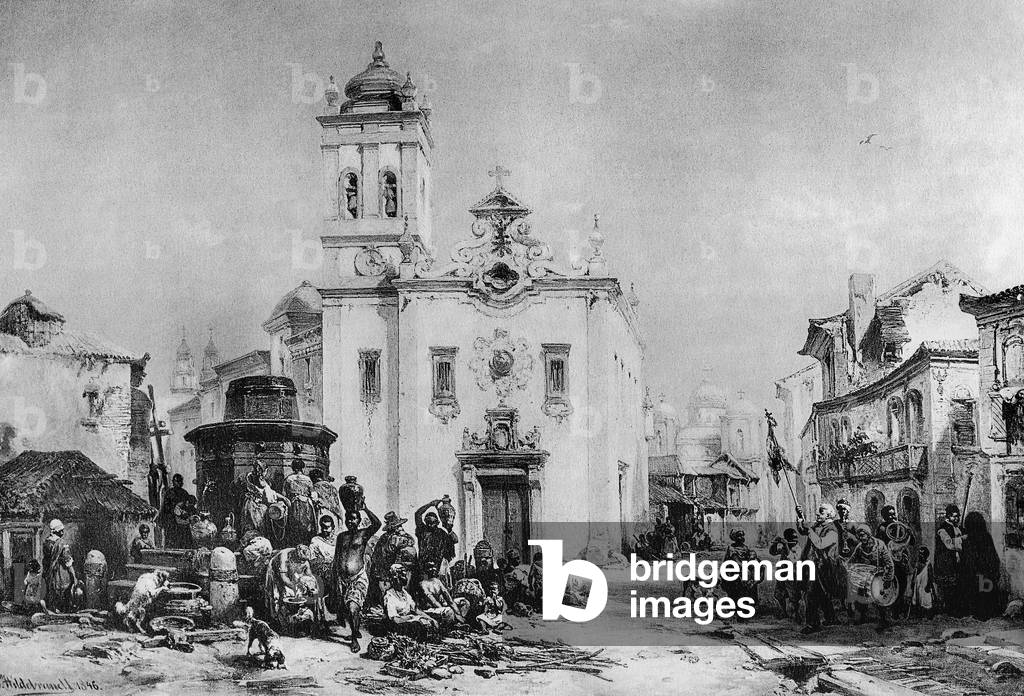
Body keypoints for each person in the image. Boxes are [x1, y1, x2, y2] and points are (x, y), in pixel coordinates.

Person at [333, 503, 381, 652]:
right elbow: (337, 558)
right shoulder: (341, 537)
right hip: (343, 579)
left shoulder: (363, 534)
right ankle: (356, 630)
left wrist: (365, 508)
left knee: (353, 607)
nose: (350, 521)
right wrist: (335, 579)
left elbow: (377, 523)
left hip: (357, 577)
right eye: (348, 519)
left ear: (359, 520)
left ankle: (354, 639)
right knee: (349, 608)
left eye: (354, 519)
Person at [796, 503, 842, 634]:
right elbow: (803, 530)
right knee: (821, 593)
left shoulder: (832, 530)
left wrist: (809, 530)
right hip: (814, 565)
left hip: (824, 567)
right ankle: (831, 618)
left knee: (811, 594)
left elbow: (820, 544)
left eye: (821, 512)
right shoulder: (817, 526)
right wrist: (799, 518)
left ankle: (812, 624)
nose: (817, 514)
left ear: (828, 515)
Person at [847, 523, 894, 630]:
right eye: (859, 536)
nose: (861, 538)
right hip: (865, 576)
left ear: (868, 535)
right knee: (860, 596)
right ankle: (861, 616)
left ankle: (884, 620)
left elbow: (889, 563)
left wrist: (887, 579)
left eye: (863, 535)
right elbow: (852, 560)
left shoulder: (879, 545)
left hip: (879, 575)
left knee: (880, 598)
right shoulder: (859, 547)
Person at [368, 511, 416, 607]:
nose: (400, 528)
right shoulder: (394, 538)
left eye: (400, 526)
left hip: (387, 573)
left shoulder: (388, 537)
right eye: (398, 526)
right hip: (387, 573)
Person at [961, 511, 1001, 620]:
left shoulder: (968, 540)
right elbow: (993, 557)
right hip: (986, 572)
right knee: (986, 593)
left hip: (976, 573)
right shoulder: (986, 537)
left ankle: (980, 614)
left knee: (978, 594)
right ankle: (987, 613)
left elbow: (968, 560)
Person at [263, 544, 316, 626]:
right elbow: (283, 578)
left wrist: (309, 585)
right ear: (295, 555)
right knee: (277, 594)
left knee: (298, 592)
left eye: (304, 561)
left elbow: (309, 576)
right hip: (275, 571)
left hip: (291, 572)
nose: (302, 562)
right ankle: (277, 619)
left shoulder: (305, 560)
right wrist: (295, 587)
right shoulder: (284, 556)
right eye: (300, 560)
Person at [383, 563, 438, 638]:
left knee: (428, 622)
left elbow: (416, 610)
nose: (405, 578)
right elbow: (395, 619)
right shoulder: (389, 595)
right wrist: (412, 617)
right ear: (395, 577)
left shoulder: (405, 593)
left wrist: (431, 619)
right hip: (398, 626)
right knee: (417, 625)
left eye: (405, 575)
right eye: (402, 575)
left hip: (409, 622)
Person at [241, 461, 288, 540]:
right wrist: (283, 498)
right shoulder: (261, 481)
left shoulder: (250, 477)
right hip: (258, 507)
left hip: (248, 504)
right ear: (264, 470)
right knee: (259, 527)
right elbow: (268, 496)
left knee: (249, 525)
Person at [415, 498, 458, 581]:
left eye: (433, 523)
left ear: (437, 523)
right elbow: (417, 514)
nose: (430, 525)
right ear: (425, 522)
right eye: (428, 522)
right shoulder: (422, 531)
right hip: (423, 568)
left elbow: (455, 540)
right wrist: (430, 504)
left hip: (438, 567)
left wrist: (449, 529)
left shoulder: (441, 533)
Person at [934, 503, 965, 616]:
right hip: (946, 562)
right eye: (954, 516)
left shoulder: (958, 528)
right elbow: (949, 545)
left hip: (956, 561)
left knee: (957, 586)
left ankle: (957, 610)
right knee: (949, 588)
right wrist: (963, 539)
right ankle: (950, 611)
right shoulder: (942, 529)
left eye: (957, 516)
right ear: (948, 516)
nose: (956, 518)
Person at [42, 519, 77, 613]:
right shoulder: (62, 543)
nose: (63, 532)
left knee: (51, 590)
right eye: (61, 530)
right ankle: (62, 611)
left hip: (49, 571)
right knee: (64, 589)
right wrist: (74, 576)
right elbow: (68, 561)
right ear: (58, 531)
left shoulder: (46, 542)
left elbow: (45, 561)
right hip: (61, 572)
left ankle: (52, 609)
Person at [721, 529, 760, 611]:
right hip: (734, 570)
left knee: (751, 582)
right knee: (736, 587)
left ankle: (748, 604)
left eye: (742, 535)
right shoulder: (731, 548)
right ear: (735, 537)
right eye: (739, 535)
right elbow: (733, 561)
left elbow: (751, 558)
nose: (741, 537)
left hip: (744, 569)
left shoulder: (745, 548)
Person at [418, 559, 464, 628]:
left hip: (442, 606)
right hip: (431, 609)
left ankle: (459, 621)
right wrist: (445, 609)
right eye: (430, 567)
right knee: (449, 611)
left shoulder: (437, 581)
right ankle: (453, 625)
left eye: (433, 567)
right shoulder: (423, 584)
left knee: (464, 602)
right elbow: (433, 601)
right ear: (425, 570)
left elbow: (448, 597)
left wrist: (458, 613)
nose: (433, 569)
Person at [769, 528, 801, 620]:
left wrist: (786, 545)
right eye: (792, 538)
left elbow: (791, 558)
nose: (795, 540)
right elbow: (772, 552)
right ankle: (784, 612)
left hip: (792, 574)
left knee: (794, 595)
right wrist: (775, 543)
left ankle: (796, 614)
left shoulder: (797, 548)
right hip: (782, 574)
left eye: (796, 538)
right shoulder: (784, 547)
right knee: (779, 594)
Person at [283, 460, 316, 546]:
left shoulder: (289, 479)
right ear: (302, 468)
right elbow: (312, 494)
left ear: (293, 468)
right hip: (306, 504)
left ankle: (295, 544)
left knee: (294, 524)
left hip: (294, 504)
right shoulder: (308, 479)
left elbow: (284, 494)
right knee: (307, 524)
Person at [160, 474, 196, 548]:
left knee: (184, 542)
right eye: (175, 481)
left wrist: (186, 513)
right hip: (172, 522)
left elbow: (189, 506)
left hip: (182, 523)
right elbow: (166, 508)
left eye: (178, 481)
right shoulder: (169, 493)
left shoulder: (184, 493)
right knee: (172, 542)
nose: (176, 483)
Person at [309, 515, 337, 613]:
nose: (325, 530)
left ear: (333, 527)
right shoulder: (316, 540)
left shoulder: (338, 540)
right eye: (323, 527)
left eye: (328, 527)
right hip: (322, 571)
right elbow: (312, 559)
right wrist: (324, 560)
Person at [910, 546, 934, 618]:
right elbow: (914, 574)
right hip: (918, 583)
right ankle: (918, 613)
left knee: (926, 598)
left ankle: (928, 614)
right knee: (918, 597)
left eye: (922, 554)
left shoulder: (928, 565)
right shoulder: (918, 564)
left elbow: (930, 576)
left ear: (926, 556)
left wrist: (929, 585)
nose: (921, 556)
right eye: (919, 554)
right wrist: (912, 582)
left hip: (925, 584)